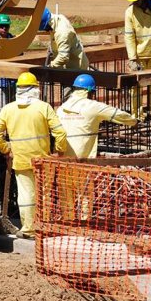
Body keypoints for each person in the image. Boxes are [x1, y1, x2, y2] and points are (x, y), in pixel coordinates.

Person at [0, 71, 67, 239]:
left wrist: (6, 149)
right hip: (43, 160)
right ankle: (44, 228)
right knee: (44, 194)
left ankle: (29, 230)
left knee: (26, 196)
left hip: (20, 159)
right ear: (35, 89)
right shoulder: (43, 107)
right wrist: (59, 151)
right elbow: (60, 133)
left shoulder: (8, 109)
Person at [56, 74, 138, 220]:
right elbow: (118, 115)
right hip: (83, 160)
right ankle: (84, 223)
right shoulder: (92, 106)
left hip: (63, 158)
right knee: (86, 193)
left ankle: (68, 224)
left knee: (66, 192)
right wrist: (134, 121)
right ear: (89, 91)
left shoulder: (62, 108)